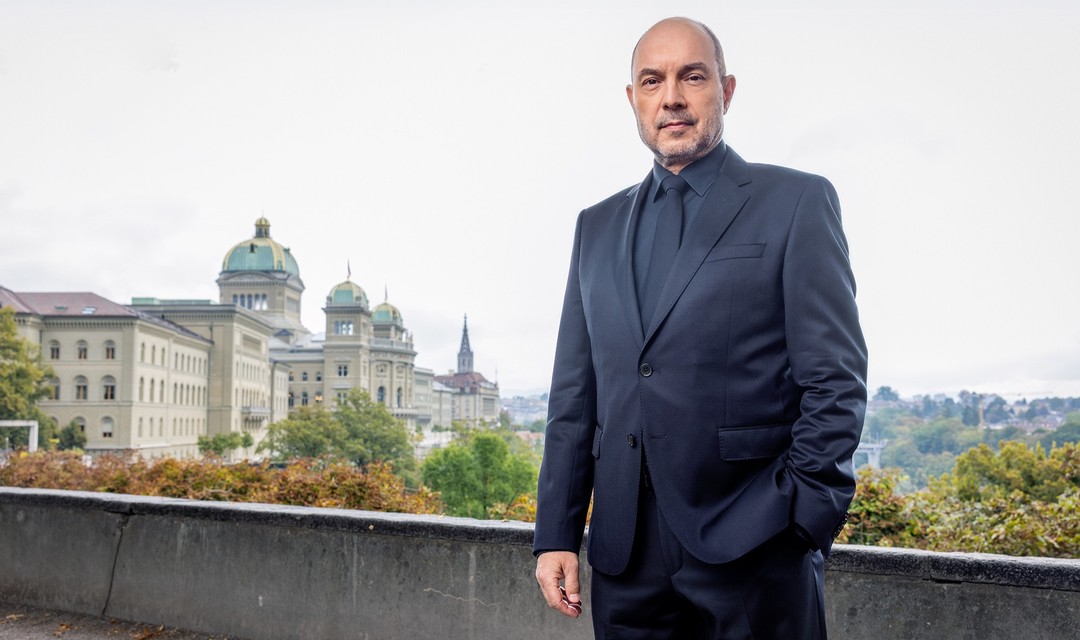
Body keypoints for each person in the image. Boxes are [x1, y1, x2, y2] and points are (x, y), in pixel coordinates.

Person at [533, 17, 868, 640]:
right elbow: (574, 398)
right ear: (632, 98)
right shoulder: (595, 227)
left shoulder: (796, 202)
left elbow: (835, 381)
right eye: (652, 80)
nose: (672, 97)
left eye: (693, 75)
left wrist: (798, 522)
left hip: (756, 548)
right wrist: (556, 532)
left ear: (727, 89)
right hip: (624, 561)